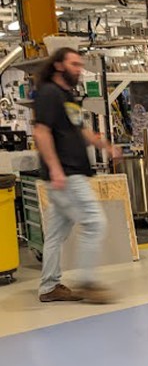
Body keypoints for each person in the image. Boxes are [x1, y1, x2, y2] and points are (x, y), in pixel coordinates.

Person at [32, 47, 119, 303]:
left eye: (80, 64)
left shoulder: (67, 95)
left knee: (56, 234)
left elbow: (81, 130)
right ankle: (87, 283)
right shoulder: (48, 92)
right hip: (66, 175)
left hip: (70, 174)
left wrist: (107, 147)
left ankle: (49, 286)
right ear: (59, 65)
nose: (79, 69)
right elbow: (41, 132)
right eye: (74, 64)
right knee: (95, 223)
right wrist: (56, 169)